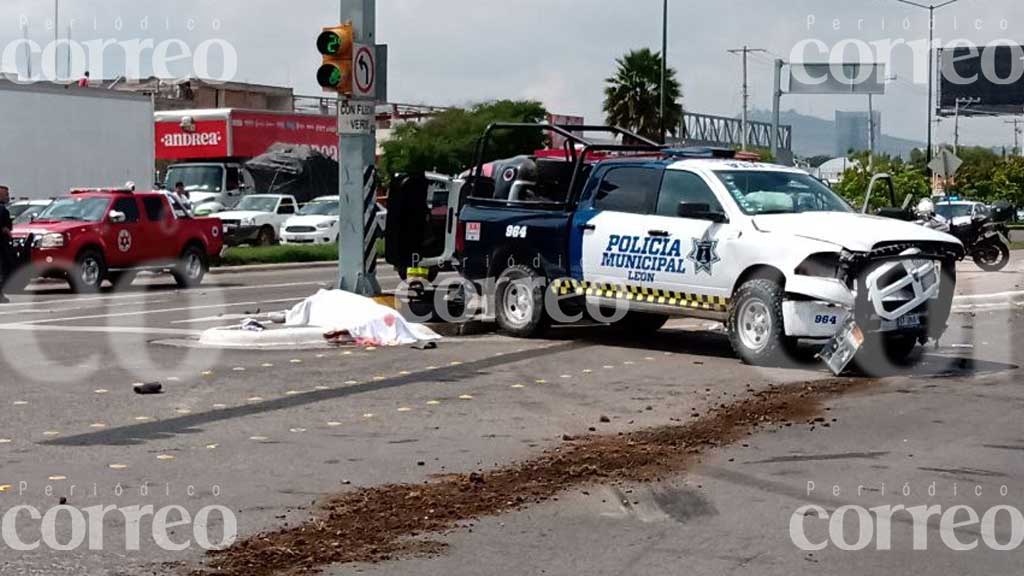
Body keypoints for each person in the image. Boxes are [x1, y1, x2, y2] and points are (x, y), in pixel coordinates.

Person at [0, 185, 12, 303]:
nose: (8, 197)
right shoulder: (2, 209)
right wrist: (6, 231)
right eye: (6, 194)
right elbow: (5, 228)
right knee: (4, 269)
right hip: (2, 245)